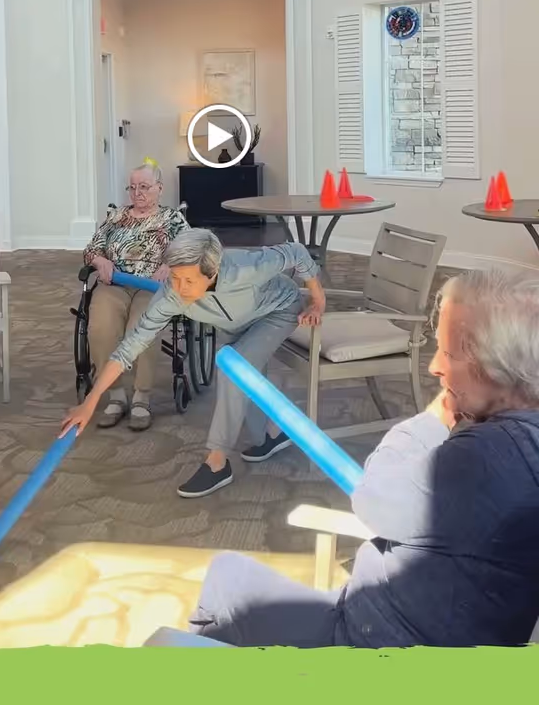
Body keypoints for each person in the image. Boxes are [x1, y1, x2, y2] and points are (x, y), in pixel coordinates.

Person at [184, 269, 539, 648]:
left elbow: (374, 498)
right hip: (431, 623)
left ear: (498, 369)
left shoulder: (488, 458)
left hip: (376, 640)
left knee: (228, 579)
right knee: (231, 575)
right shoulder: (517, 440)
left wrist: (439, 415)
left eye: (448, 353)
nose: (434, 366)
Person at [63, 227, 325, 497]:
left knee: (234, 368)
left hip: (278, 310)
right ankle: (272, 433)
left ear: (211, 273)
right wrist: (90, 401)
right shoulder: (171, 295)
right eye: (175, 278)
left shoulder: (245, 268)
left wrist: (318, 301)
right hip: (238, 324)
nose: (180, 288)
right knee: (249, 387)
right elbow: (130, 347)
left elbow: (296, 252)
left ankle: (217, 462)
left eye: (189, 281)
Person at [82, 161, 188, 431]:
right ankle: (115, 394)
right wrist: (99, 261)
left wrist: (170, 266)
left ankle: (142, 396)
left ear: (159, 189)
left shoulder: (172, 219)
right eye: (132, 187)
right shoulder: (117, 216)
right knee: (100, 328)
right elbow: (91, 248)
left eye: (144, 187)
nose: (137, 193)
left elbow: (192, 250)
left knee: (142, 328)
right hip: (114, 283)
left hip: (152, 286)